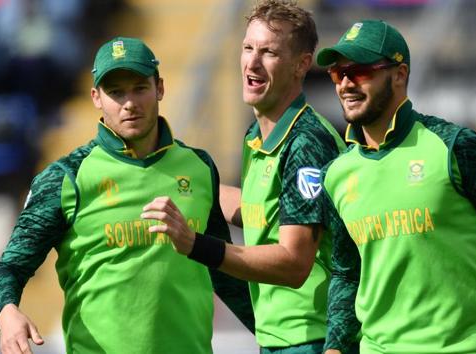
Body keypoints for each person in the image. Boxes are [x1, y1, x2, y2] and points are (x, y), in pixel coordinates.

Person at [314, 20, 476, 354]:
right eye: (339, 74)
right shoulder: (337, 173)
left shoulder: (458, 147)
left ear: (399, 74)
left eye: (360, 71)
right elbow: (347, 273)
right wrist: (335, 346)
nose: (346, 84)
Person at [0, 37, 254, 354]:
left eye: (140, 87)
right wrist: (7, 313)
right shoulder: (66, 176)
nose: (129, 102)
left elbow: (224, 271)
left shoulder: (199, 166)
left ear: (160, 88)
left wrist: (275, 337)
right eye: (115, 92)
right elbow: (9, 267)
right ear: (96, 97)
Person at [141, 1, 357, 353]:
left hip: (313, 339)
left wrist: (197, 244)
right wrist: (174, 176)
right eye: (247, 48)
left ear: (302, 64)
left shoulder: (305, 141)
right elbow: (262, 209)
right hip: (278, 339)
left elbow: (294, 262)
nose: (252, 63)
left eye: (269, 52)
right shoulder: (256, 134)